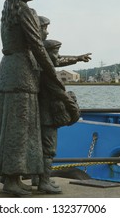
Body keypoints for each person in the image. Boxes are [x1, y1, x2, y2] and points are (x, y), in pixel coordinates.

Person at [0, 0, 65, 196]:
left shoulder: (7, 12)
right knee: (21, 129)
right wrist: (54, 78)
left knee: (8, 126)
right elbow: (38, 47)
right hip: (22, 73)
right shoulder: (26, 11)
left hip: (8, 71)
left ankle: (11, 177)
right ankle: (12, 180)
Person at [36, 39, 80, 194]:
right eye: (55, 52)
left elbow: (59, 61)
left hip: (39, 116)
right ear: (46, 54)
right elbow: (62, 95)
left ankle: (38, 177)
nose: (58, 56)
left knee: (39, 147)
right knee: (49, 150)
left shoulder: (40, 67)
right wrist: (75, 113)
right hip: (47, 118)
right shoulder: (48, 74)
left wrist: (77, 58)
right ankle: (44, 182)